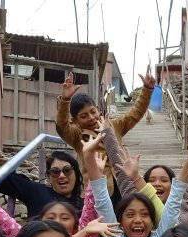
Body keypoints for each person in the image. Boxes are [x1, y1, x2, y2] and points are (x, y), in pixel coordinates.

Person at [58, 71, 157, 205]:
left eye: (93, 111)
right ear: (75, 121)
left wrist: (147, 90)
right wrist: (65, 101)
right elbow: (61, 126)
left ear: (98, 109)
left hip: (125, 185)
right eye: (84, 116)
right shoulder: (76, 135)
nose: (91, 117)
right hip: (99, 193)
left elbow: (135, 113)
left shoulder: (114, 126)